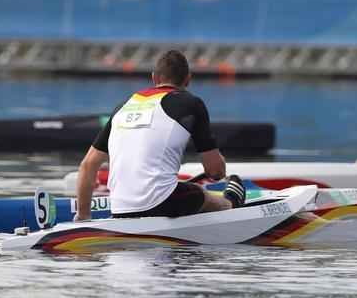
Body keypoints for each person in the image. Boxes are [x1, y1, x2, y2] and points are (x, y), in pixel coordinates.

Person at [74, 50, 245, 221]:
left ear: (154, 78)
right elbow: (215, 171)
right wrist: (218, 173)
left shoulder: (123, 106)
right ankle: (231, 203)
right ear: (188, 80)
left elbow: (88, 165)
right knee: (198, 193)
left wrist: (83, 217)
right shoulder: (192, 103)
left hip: (119, 207)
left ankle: (85, 214)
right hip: (162, 204)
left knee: (180, 189)